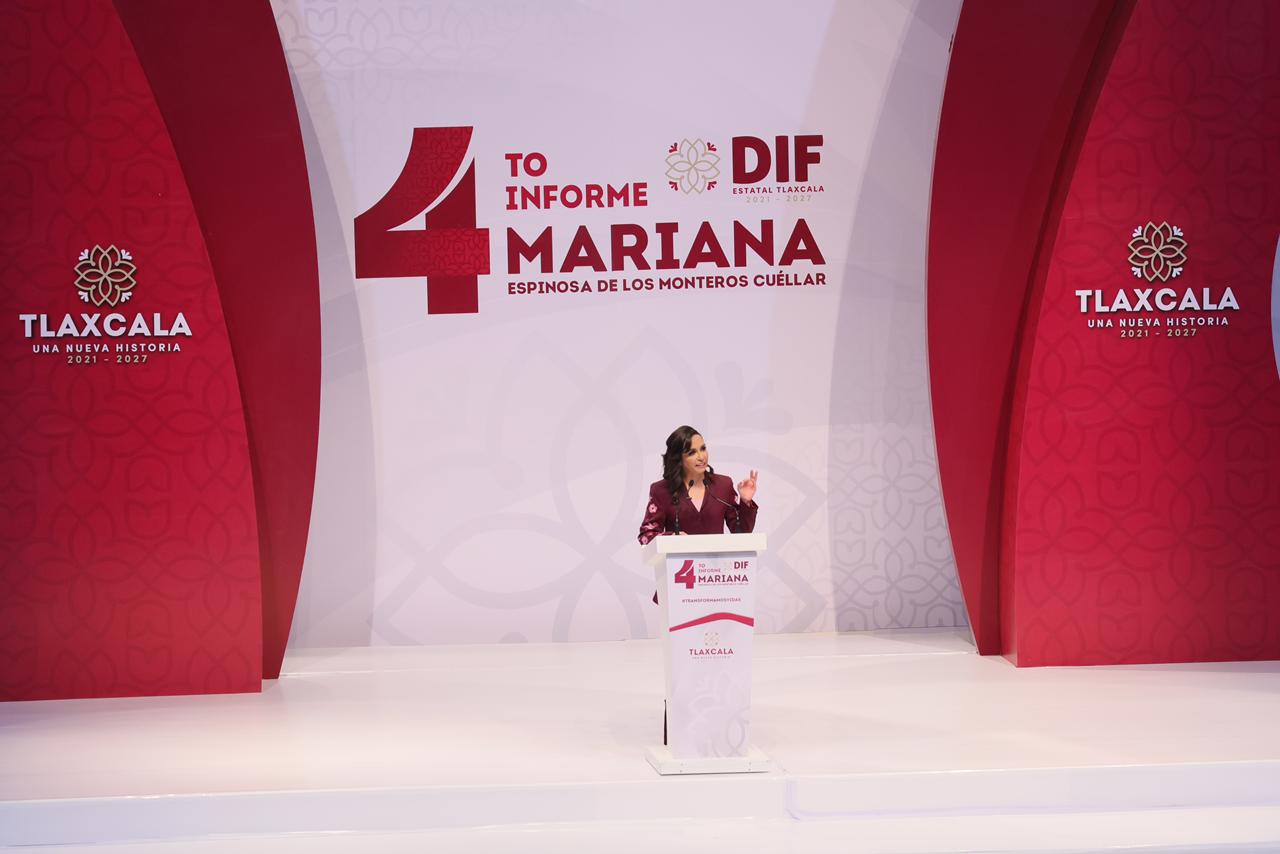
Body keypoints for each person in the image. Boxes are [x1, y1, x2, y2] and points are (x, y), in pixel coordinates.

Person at [638, 424, 759, 546]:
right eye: (692, 453)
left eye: (703, 448)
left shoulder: (723, 485)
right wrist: (672, 538)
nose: (701, 457)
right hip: (679, 558)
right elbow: (646, 536)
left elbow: (741, 533)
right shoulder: (661, 490)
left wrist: (746, 502)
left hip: (717, 558)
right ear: (679, 459)